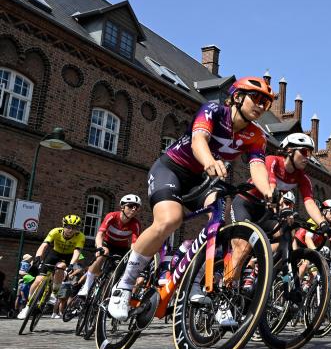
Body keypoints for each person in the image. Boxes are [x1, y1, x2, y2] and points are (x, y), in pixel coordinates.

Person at [108, 76, 276, 322]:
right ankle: (123, 285)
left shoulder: (256, 136)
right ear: (238, 97)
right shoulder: (214, 111)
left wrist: (269, 190)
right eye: (257, 98)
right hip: (173, 169)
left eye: (267, 103)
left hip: (205, 179)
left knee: (220, 224)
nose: (261, 106)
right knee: (170, 220)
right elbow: (199, 140)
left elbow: (258, 167)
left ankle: (195, 276)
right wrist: (209, 162)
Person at [17, 215, 86, 319]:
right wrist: (38, 257)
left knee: (61, 267)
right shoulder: (55, 231)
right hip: (54, 254)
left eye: (75, 227)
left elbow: (77, 252)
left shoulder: (80, 236)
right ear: (64, 226)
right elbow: (44, 245)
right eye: (68, 227)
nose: (71, 230)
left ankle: (54, 293)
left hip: (68, 256)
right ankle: (28, 306)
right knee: (38, 280)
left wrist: (72, 264)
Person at [77, 194, 142, 298]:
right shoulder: (112, 216)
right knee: (103, 253)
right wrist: (100, 247)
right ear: (122, 207)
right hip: (106, 242)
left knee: (119, 270)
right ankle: (86, 287)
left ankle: (105, 295)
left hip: (121, 248)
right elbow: (100, 234)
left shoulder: (135, 224)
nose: (133, 209)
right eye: (130, 206)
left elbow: (134, 244)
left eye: (136, 207)